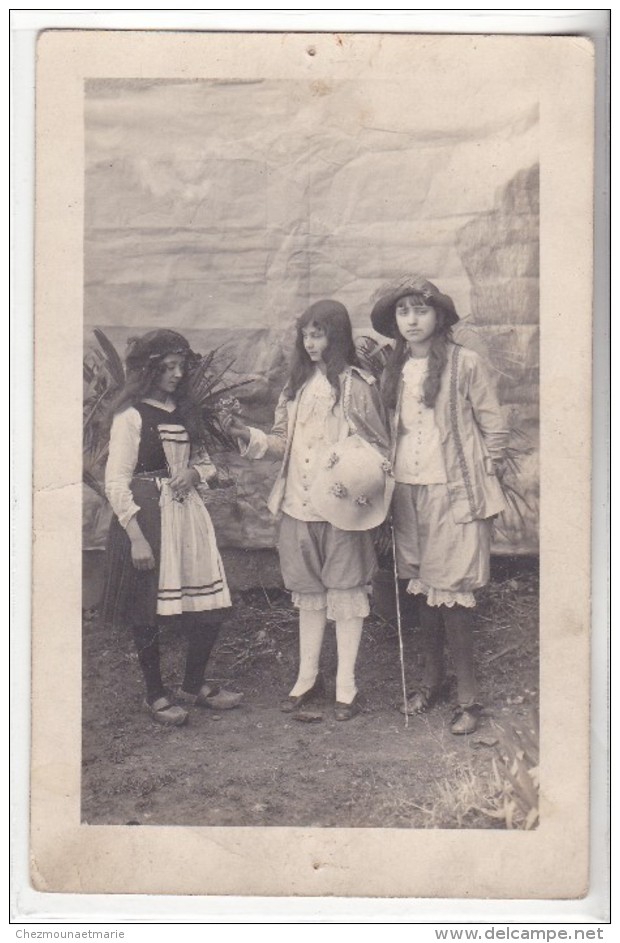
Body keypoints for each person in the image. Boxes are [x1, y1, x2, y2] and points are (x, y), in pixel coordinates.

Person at [223, 300, 391, 721]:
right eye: (306, 335)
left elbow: (378, 445)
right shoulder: (294, 387)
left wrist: (352, 474)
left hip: (340, 509)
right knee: (310, 594)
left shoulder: (357, 384)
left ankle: (346, 685)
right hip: (297, 504)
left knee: (346, 591)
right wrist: (247, 434)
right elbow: (282, 441)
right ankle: (306, 677)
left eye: (320, 334)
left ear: (337, 336)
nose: (311, 343)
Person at [371, 275, 509, 735]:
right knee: (424, 590)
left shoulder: (465, 364)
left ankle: (469, 697)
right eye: (403, 313)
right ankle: (433, 681)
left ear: (440, 316)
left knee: (453, 592)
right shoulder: (394, 368)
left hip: (455, 493)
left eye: (421, 311)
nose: (412, 321)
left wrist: (486, 480)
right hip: (408, 492)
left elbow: (494, 426)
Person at [101, 329, 242, 726]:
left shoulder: (185, 412)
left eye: (182, 366)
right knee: (147, 608)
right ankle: (155, 694)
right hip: (149, 516)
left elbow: (208, 463)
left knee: (209, 603)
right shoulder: (130, 416)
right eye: (169, 367)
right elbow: (116, 481)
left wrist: (196, 473)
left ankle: (193, 684)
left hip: (188, 516)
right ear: (150, 370)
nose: (178, 374)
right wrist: (136, 537)